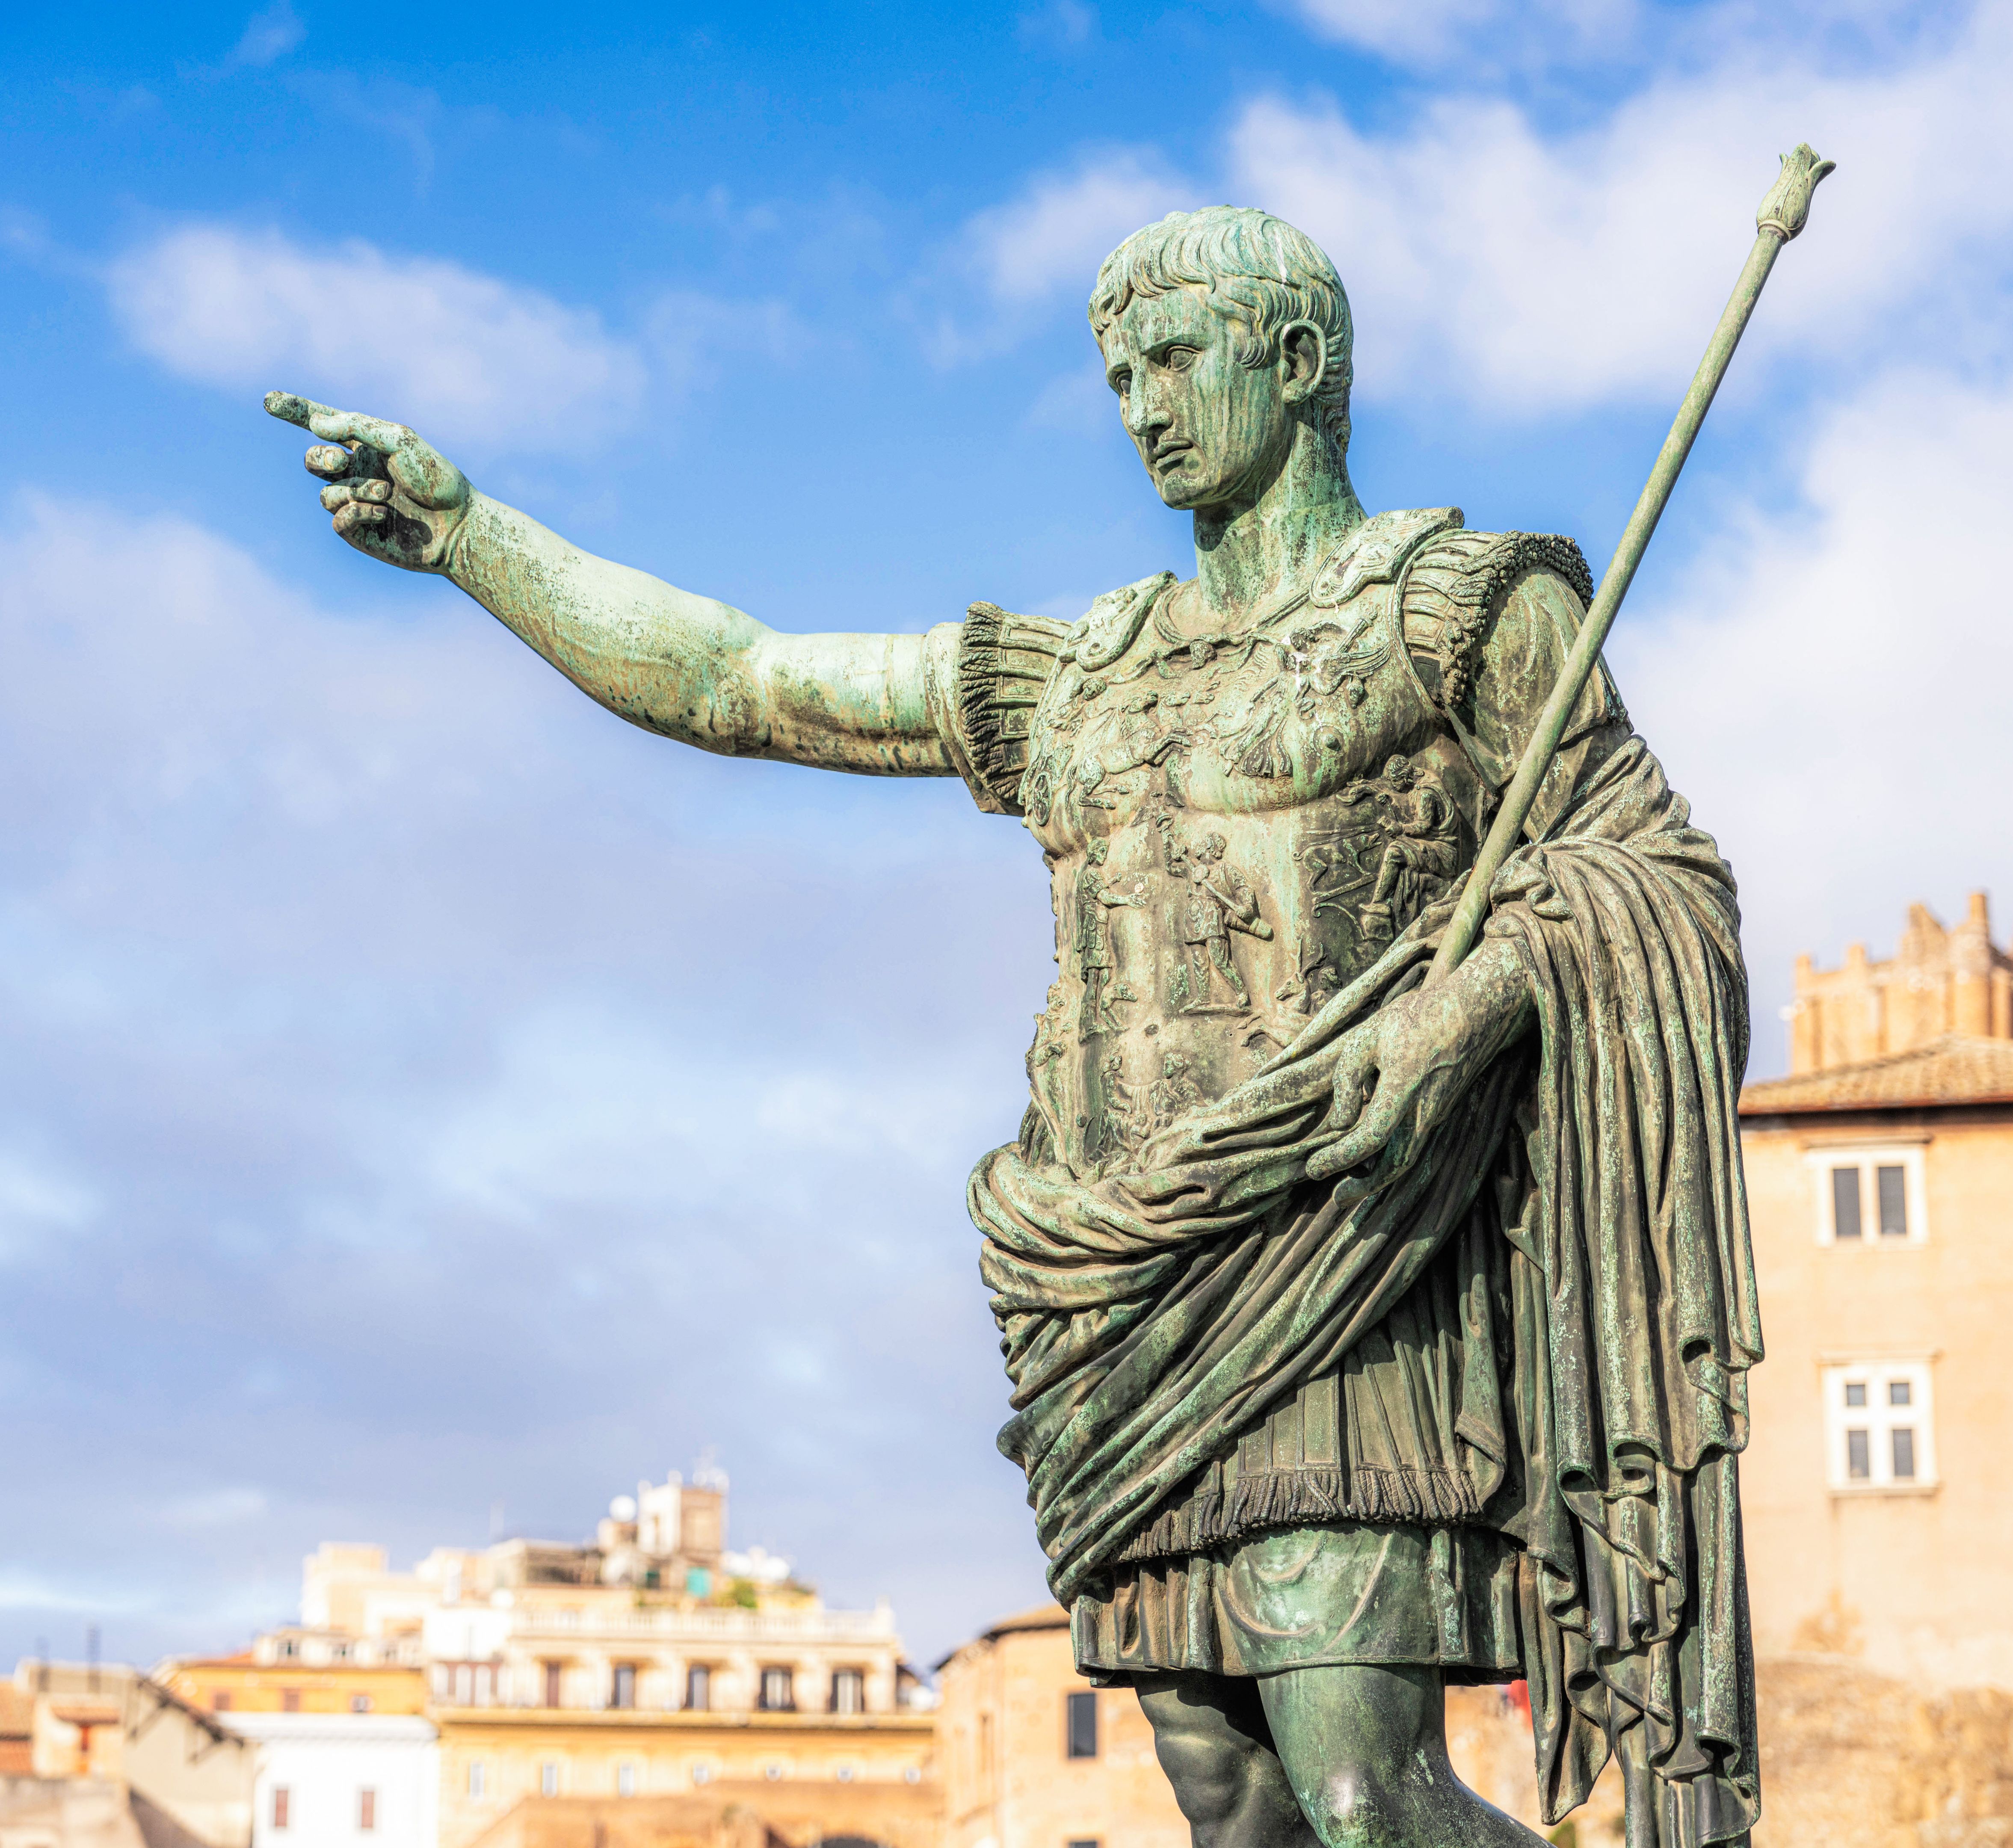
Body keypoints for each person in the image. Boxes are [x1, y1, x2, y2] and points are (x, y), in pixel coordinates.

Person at [269, 204, 1760, 1848]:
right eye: (1117, 377)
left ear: (1296, 361)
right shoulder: (1076, 672)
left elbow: (1653, 875)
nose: (1139, 407)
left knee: (1359, 1797)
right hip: (1110, 1289)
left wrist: (1455, 1019)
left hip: (1345, 1261)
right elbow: (736, 680)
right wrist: (470, 535)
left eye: (1172, 361)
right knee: (1234, 1807)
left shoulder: (1459, 612)